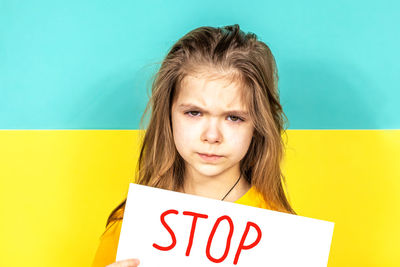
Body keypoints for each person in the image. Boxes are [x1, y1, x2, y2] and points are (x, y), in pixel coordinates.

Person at [92, 24, 295, 267]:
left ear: (258, 125)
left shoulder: (283, 238)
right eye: (194, 112)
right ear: (168, 115)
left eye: (234, 117)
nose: (211, 136)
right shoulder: (130, 228)